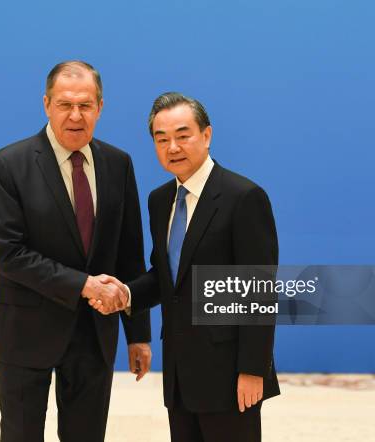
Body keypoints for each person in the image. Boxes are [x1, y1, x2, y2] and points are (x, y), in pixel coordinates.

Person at [92, 92, 280, 442]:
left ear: (206, 135)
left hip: (230, 375)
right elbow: (166, 277)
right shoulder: (160, 200)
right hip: (180, 374)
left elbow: (260, 291)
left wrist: (253, 370)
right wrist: (127, 294)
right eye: (162, 139)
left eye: (183, 135)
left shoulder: (244, 197)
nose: (173, 147)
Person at [0, 60, 152, 442]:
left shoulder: (118, 164)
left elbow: (130, 253)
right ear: (46, 104)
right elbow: (10, 254)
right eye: (64, 104)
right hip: (25, 331)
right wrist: (85, 285)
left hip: (94, 333)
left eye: (85, 105)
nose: (75, 115)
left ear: (100, 107)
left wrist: (137, 333)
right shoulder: (8, 164)